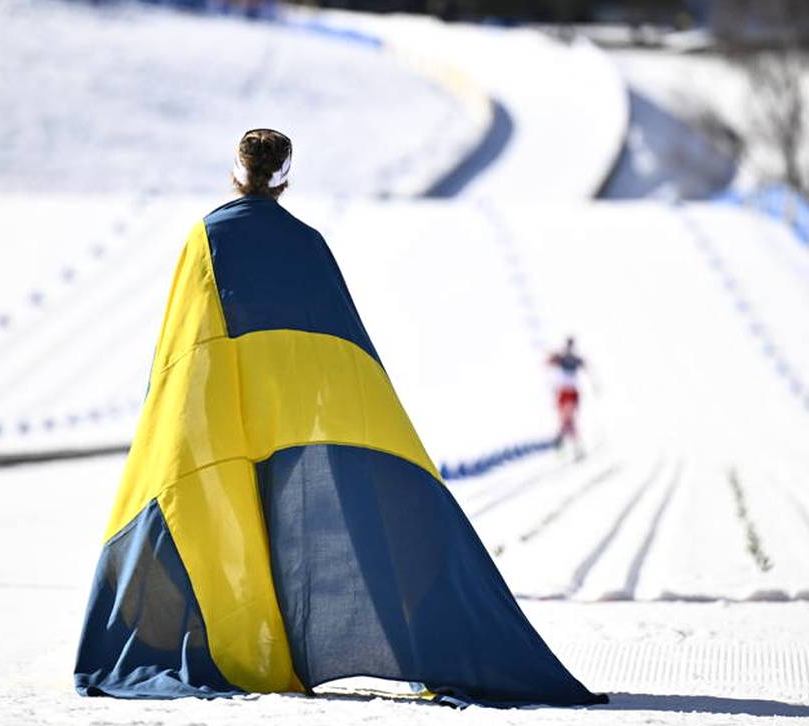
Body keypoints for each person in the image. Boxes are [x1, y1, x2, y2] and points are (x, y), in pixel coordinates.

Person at [73, 129, 601, 707]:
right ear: (285, 178)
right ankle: (301, 650)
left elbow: (184, 346)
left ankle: (247, 647)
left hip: (228, 417)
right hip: (296, 423)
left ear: (236, 173)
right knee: (293, 532)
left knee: (230, 532)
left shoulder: (206, 238)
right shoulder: (309, 244)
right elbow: (337, 343)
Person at [547, 336, 586, 451]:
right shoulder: (562, 357)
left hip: (571, 392)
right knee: (565, 419)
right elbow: (549, 362)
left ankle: (563, 440)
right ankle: (568, 442)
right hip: (563, 392)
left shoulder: (574, 358)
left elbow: (586, 366)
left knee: (568, 418)